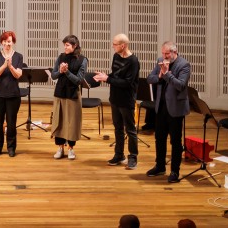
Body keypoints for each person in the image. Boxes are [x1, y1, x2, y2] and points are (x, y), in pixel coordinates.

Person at [94, 33, 140, 170]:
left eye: (115, 44)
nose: (113, 46)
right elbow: (115, 75)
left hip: (126, 100)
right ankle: (119, 155)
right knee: (118, 129)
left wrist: (107, 79)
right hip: (115, 98)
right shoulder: (116, 56)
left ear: (123, 45)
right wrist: (105, 76)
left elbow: (127, 83)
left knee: (130, 130)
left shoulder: (133, 61)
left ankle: (133, 157)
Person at [147, 41, 191, 183]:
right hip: (161, 107)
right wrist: (160, 76)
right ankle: (160, 166)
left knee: (175, 142)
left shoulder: (184, 65)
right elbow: (150, 78)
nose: (164, 57)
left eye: (167, 54)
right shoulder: (160, 61)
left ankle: (174, 171)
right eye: (163, 53)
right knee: (159, 138)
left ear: (174, 52)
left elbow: (181, 85)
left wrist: (167, 75)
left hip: (176, 109)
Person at [50, 34, 87, 160]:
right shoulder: (61, 57)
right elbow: (53, 75)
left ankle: (71, 149)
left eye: (67, 45)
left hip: (73, 95)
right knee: (59, 121)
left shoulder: (82, 60)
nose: (65, 47)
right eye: (64, 45)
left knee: (72, 123)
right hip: (60, 93)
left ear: (75, 46)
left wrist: (67, 72)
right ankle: (60, 147)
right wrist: (60, 71)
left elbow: (78, 80)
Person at [0, 30, 24, 157]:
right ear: (1, 42)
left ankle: (11, 148)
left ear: (13, 42)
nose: (7, 44)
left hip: (13, 95)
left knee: (11, 123)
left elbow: (18, 75)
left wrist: (11, 67)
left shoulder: (18, 56)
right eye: (4, 41)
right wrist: (5, 65)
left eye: (9, 41)